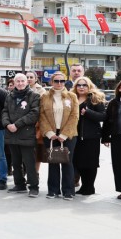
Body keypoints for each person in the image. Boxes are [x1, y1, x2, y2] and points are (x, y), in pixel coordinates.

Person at [39, 71, 79, 200]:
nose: (59, 83)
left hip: (68, 134)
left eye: (62, 81)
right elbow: (42, 116)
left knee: (67, 162)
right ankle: (53, 190)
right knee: (53, 162)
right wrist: (49, 133)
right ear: (51, 82)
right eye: (56, 81)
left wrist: (64, 134)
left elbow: (74, 116)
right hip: (51, 134)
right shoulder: (44, 96)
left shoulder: (72, 96)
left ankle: (68, 191)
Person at [2, 73, 41, 197]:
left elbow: (34, 114)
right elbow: (4, 111)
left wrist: (17, 124)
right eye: (17, 81)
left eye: (22, 81)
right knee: (15, 162)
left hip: (26, 134)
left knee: (29, 162)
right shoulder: (10, 96)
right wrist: (7, 124)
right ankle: (19, 184)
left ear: (27, 82)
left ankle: (34, 187)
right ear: (14, 82)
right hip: (11, 133)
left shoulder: (34, 96)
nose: (20, 83)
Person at [72, 76, 106, 195]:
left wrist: (88, 112)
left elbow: (103, 116)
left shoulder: (95, 99)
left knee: (90, 164)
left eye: (84, 85)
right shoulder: (72, 98)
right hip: (75, 136)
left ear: (89, 86)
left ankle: (89, 187)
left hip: (91, 136)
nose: (81, 87)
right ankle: (84, 186)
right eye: (79, 85)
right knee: (78, 162)